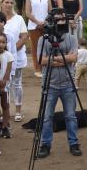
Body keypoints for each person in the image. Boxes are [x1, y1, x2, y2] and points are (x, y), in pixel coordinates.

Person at [35, 10, 82, 159]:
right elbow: (40, 61)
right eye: (58, 20)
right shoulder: (43, 40)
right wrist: (63, 59)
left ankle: (74, 143)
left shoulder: (72, 38)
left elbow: (74, 58)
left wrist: (53, 60)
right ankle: (45, 144)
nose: (61, 22)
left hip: (68, 84)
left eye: (63, 19)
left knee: (71, 115)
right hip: (49, 84)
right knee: (47, 116)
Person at [25, 0, 50, 77]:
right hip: (33, 26)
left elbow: (50, 11)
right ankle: (37, 69)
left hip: (46, 25)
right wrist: (37, 22)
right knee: (35, 48)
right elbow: (27, 12)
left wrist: (45, 21)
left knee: (46, 47)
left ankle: (45, 67)